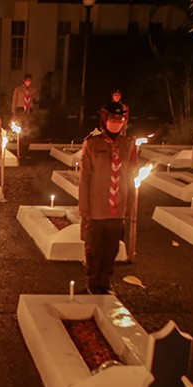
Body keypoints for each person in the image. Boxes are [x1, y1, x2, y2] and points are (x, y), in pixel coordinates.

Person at [79, 102, 138, 295]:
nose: (116, 122)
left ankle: (105, 282)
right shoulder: (92, 144)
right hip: (96, 207)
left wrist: (129, 204)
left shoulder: (128, 144)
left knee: (111, 248)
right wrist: (84, 206)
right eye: (113, 118)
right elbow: (85, 178)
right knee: (94, 248)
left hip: (117, 207)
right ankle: (93, 282)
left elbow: (130, 176)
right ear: (105, 120)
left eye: (120, 119)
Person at [11, 73, 37, 152]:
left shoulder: (32, 90)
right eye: (27, 80)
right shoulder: (18, 89)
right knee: (21, 128)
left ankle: (26, 147)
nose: (28, 82)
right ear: (24, 80)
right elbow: (14, 101)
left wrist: (34, 96)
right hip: (20, 110)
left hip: (29, 110)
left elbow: (37, 99)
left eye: (29, 80)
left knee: (28, 129)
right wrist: (14, 113)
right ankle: (20, 147)